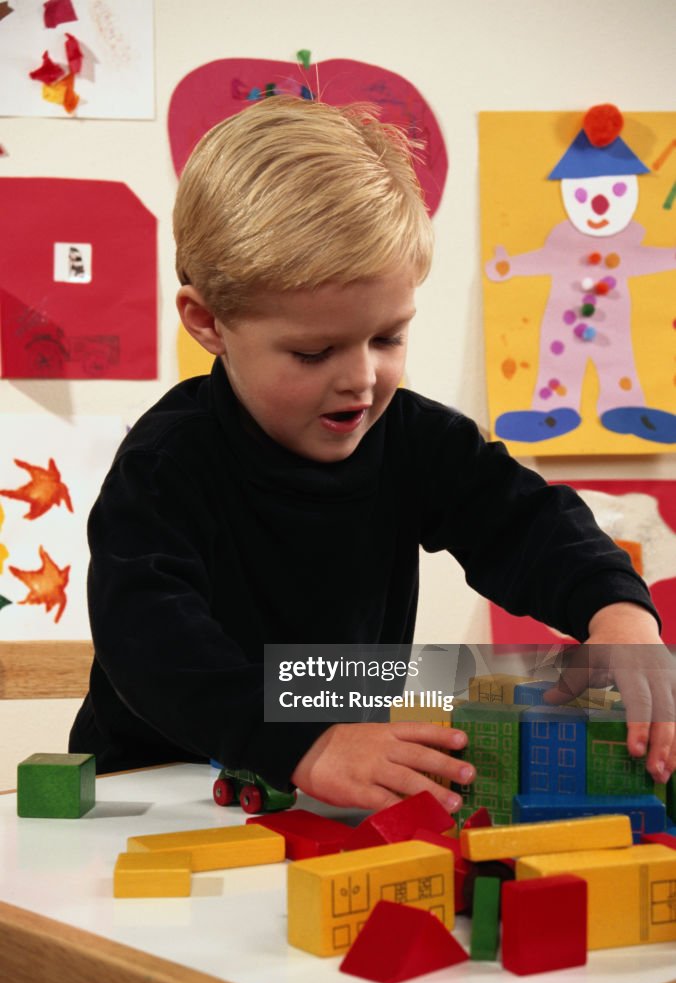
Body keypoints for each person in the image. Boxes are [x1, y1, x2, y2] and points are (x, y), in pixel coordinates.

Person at [69, 96, 675, 812]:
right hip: (154, 786)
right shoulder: (167, 463)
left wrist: (616, 610)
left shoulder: (415, 440)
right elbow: (146, 634)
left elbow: (525, 522)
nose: (361, 377)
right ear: (209, 323)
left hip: (338, 774)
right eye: (313, 350)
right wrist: (303, 743)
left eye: (387, 338)